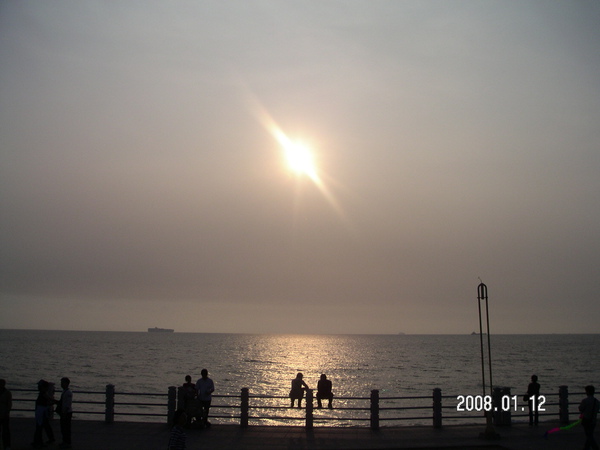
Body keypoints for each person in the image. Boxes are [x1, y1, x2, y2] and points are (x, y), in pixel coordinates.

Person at [32, 380, 55, 448]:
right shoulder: (43, 393)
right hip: (42, 412)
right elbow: (49, 400)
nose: (38, 387)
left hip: (41, 412)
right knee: (43, 426)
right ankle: (39, 441)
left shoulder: (43, 394)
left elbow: (49, 400)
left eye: (39, 386)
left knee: (39, 427)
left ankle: (38, 441)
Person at [579, 385, 600, 450]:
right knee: (590, 434)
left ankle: (595, 447)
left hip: (586, 420)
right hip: (593, 420)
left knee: (589, 435)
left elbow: (581, 408)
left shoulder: (585, 401)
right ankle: (586, 447)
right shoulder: (596, 401)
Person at [57, 377, 73, 449]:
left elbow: (68, 404)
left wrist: (65, 413)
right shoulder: (64, 391)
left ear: (66, 383)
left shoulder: (68, 392)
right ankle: (65, 441)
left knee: (66, 428)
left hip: (66, 413)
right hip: (64, 412)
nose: (61, 384)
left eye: (62, 383)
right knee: (63, 428)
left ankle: (67, 442)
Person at [0, 379, 12, 450]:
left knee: (6, 431)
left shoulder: (7, 393)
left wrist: (7, 412)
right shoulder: (7, 392)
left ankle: (7, 445)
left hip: (4, 414)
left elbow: (9, 404)